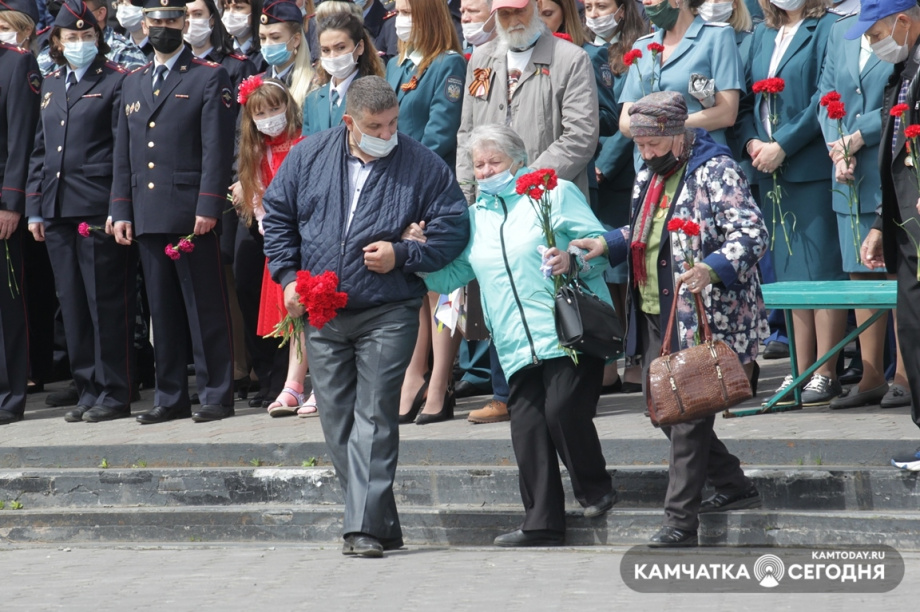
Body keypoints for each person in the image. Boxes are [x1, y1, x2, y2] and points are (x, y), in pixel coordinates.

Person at [261, 76, 470, 557]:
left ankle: (361, 530)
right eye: (376, 125)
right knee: (336, 422)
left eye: (394, 122)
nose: (388, 132)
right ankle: (382, 521)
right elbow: (277, 213)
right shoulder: (310, 155)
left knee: (375, 415)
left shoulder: (421, 163)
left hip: (389, 308)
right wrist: (289, 276)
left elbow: (453, 226)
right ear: (349, 122)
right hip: (323, 311)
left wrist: (402, 255)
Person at [572, 92, 768, 547]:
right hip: (656, 310)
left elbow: (752, 231)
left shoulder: (716, 170)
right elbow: (644, 229)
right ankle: (735, 485)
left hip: (703, 315)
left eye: (653, 145)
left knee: (687, 418)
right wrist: (608, 244)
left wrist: (711, 268)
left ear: (678, 135)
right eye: (639, 146)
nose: (645, 154)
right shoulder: (649, 173)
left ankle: (681, 522)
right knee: (666, 410)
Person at [415, 124, 615, 546]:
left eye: (495, 162)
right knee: (526, 429)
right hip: (514, 343)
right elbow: (453, 275)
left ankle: (595, 488)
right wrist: (416, 256)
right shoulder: (475, 219)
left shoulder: (553, 193)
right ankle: (542, 523)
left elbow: (598, 245)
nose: (486, 172)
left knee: (561, 410)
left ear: (519, 161)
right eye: (479, 165)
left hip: (568, 333)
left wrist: (572, 259)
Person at [111, 0, 236, 424]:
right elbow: (123, 154)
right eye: (156, 21)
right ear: (144, 24)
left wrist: (208, 204)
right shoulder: (133, 81)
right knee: (161, 310)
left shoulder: (207, 75)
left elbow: (217, 149)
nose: (164, 28)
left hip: (189, 211)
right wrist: (121, 208)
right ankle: (170, 396)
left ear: (185, 23)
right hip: (146, 210)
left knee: (203, 307)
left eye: (172, 20)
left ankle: (215, 393)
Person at [26, 0, 138, 423]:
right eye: (70, 38)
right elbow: (41, 151)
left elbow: (121, 150)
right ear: (56, 41)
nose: (78, 43)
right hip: (56, 207)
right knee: (71, 303)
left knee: (106, 303)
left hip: (95, 206)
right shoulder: (52, 83)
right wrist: (35, 208)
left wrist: (118, 205)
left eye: (85, 36)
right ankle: (88, 387)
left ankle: (115, 390)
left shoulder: (115, 81)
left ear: (97, 37)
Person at [738, 0, 842, 406]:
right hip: (767, 168)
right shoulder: (762, 34)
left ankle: (827, 371)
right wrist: (752, 143)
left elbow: (824, 96)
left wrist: (783, 144)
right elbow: (746, 100)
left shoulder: (828, 27)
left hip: (808, 163)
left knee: (822, 270)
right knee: (792, 272)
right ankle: (800, 371)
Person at [820, 10, 909, 410]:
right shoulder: (840, 27)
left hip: (890, 158)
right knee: (861, 270)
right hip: (848, 170)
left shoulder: (898, 27)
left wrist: (858, 136)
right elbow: (825, 93)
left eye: (875, 34)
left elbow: (902, 94)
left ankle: (905, 376)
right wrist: (837, 146)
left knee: (899, 274)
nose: (872, 39)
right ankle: (872, 373)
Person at [385, 0, 466, 425]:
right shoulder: (400, 65)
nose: (399, 19)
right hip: (399, 189)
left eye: (407, 10)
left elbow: (439, 132)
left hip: (434, 192)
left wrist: (411, 192)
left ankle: (439, 381)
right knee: (415, 288)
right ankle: (413, 375)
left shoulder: (447, 64)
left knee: (445, 289)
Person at [853, 0, 920, 469]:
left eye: (874, 32)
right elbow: (897, 149)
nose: (871, 43)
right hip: (906, 228)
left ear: (904, 20)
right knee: (913, 332)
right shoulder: (903, 70)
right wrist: (881, 222)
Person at [458, 0, 599, 201]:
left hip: (546, 200)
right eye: (504, 14)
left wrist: (527, 180)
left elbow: (580, 136)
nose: (514, 20)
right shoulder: (480, 59)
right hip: (489, 201)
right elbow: (467, 134)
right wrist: (466, 199)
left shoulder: (572, 59)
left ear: (537, 6)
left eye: (520, 11)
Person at [233, 75, 311, 416]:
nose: (269, 118)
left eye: (275, 109)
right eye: (260, 113)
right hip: (275, 239)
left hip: (304, 237)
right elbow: (260, 194)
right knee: (280, 313)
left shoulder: (303, 143)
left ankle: (297, 381)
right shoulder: (255, 152)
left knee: (303, 310)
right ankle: (276, 381)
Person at [585, 0, 646, 394]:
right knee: (606, 275)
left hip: (621, 174)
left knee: (631, 272)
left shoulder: (637, 49)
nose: (593, 12)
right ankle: (609, 357)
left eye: (602, 5)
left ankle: (637, 358)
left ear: (622, 10)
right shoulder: (584, 51)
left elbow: (629, 117)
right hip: (593, 176)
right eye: (587, 6)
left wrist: (604, 163)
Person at [619, 0, 744, 167]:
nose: (646, 2)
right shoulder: (642, 46)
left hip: (699, 161)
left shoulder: (717, 36)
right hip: (650, 165)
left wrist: (666, 126)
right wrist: (658, 130)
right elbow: (625, 123)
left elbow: (727, 113)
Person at [0, 0, 41, 425]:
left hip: (1, 199)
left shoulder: (16, 62)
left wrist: (11, 202)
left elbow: (21, 137)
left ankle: (9, 396)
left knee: (6, 303)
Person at [302, 11, 385, 136]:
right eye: (325, 50)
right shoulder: (313, 99)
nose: (333, 56)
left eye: (340, 48)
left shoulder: (376, 93)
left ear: (360, 47)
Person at [37, 0, 148, 74]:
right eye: (69, 4)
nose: (73, 10)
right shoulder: (49, 55)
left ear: (100, 13)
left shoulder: (126, 54)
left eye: (82, 5)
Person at [258, 0, 313, 107]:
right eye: (262, 38)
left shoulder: (312, 84)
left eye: (275, 37)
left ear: (296, 40)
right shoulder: (257, 82)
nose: (267, 44)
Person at [222, 0, 265, 70]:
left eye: (238, 8)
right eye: (227, 8)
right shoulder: (220, 50)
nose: (230, 13)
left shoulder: (265, 54)